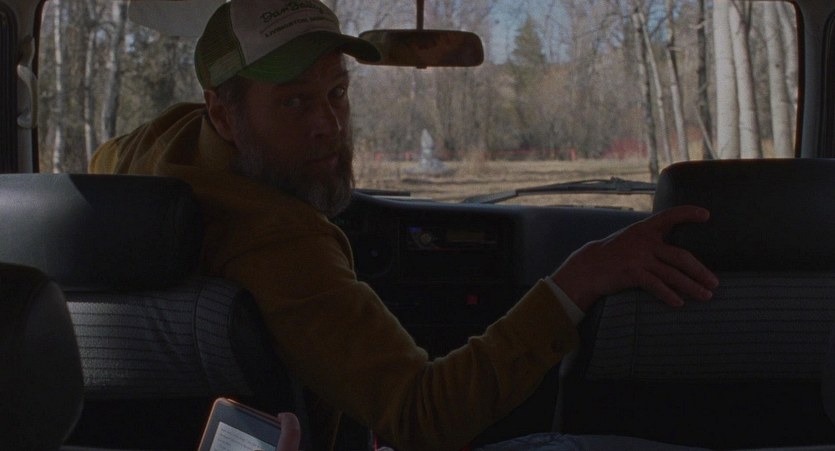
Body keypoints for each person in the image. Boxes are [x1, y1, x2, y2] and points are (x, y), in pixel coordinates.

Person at [89, 0, 719, 449]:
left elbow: (103, 160)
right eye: (295, 101)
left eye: (337, 92)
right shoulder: (278, 240)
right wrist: (579, 280)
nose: (329, 126)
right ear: (225, 115)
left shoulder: (155, 143)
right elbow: (422, 414)